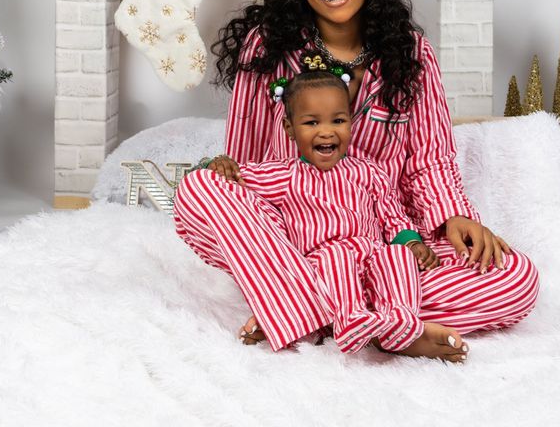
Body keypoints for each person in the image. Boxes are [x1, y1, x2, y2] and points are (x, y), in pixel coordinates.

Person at [173, 0, 539, 353]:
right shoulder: (267, 47)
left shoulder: (412, 53)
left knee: (517, 279)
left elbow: (430, 159)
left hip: (390, 246)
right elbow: (244, 157)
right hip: (289, 241)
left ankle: (309, 310)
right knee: (197, 188)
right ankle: (374, 316)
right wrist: (224, 174)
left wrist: (452, 217)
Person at [184, 63, 469, 362]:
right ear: (290, 130)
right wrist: (216, 164)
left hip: (372, 259)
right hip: (324, 266)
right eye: (311, 123)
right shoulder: (285, 175)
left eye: (338, 120)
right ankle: (350, 317)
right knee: (339, 254)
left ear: (350, 124)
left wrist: (411, 243)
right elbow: (236, 184)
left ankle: (400, 325)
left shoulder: (369, 172)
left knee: (396, 256)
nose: (326, 131)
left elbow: (392, 216)